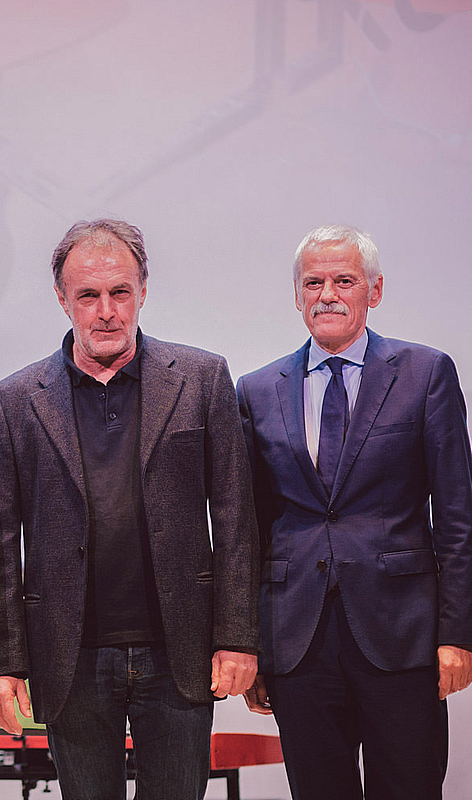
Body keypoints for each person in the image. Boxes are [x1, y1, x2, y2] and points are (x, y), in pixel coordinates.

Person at [0, 219, 260, 799]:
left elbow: (235, 517)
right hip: (69, 658)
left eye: (119, 292)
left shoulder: (202, 379)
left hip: (179, 653)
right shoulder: (13, 400)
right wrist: (3, 663)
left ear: (142, 292)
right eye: (88, 295)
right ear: (63, 300)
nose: (106, 311)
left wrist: (238, 635)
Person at [237, 224, 472, 800]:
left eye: (344, 281)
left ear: (375, 290)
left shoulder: (425, 373)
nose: (327, 295)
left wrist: (458, 633)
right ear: (297, 295)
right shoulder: (257, 389)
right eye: (313, 283)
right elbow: (249, 530)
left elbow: (457, 516)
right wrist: (251, 643)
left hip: (404, 634)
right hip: (296, 638)